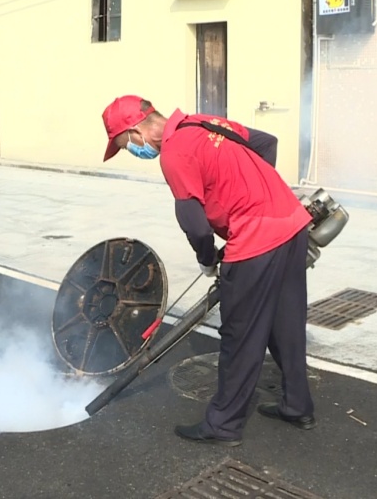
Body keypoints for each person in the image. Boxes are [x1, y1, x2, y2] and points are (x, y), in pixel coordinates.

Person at [100, 95, 316, 446]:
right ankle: (297, 406)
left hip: (257, 239)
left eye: (126, 145)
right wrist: (258, 194)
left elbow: (195, 226)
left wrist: (207, 257)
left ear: (137, 130)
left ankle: (224, 425)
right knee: (285, 323)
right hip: (291, 225)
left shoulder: (174, 153)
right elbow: (267, 143)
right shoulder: (203, 123)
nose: (131, 151)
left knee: (240, 335)